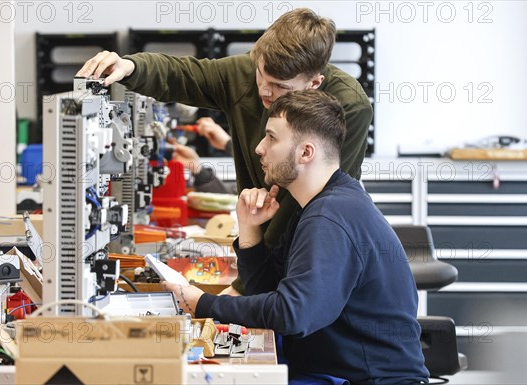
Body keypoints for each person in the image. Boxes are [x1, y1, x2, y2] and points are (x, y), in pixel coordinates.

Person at [77, 8, 373, 294]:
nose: (265, 92)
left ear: (314, 83)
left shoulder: (349, 107)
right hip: (258, 238)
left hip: (313, 249)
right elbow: (184, 74)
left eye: (280, 87)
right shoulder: (247, 73)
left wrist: (246, 284)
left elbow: (312, 205)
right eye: (262, 76)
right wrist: (132, 67)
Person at [163, 90, 429, 384]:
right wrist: (250, 230)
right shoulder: (315, 206)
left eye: (272, 138)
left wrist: (203, 303)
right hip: (326, 367)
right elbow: (266, 290)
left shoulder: (329, 216)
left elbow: (292, 314)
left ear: (306, 152)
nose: (259, 149)